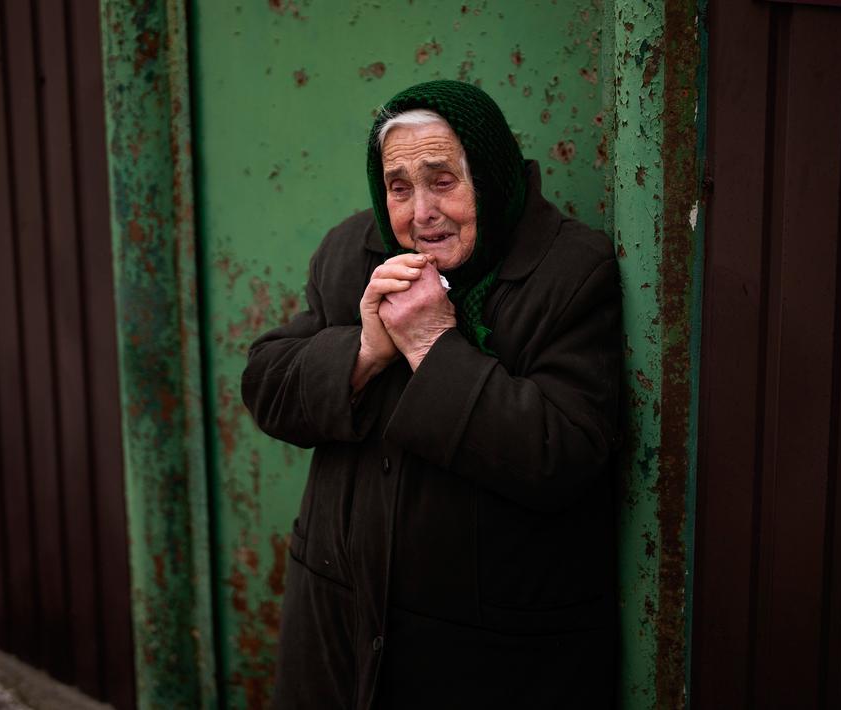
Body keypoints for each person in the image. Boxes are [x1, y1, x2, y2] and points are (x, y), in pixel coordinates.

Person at [241, 80, 622, 709]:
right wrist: (364, 352)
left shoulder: (570, 271)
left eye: (443, 180)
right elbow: (268, 386)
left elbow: (562, 454)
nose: (421, 213)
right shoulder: (352, 251)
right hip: (338, 625)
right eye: (399, 187)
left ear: (491, 176)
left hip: (488, 659)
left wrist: (431, 344)